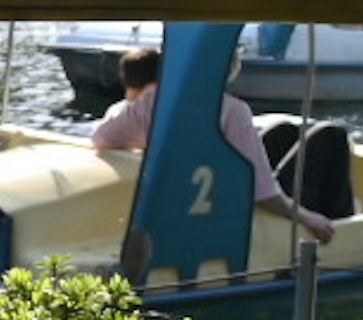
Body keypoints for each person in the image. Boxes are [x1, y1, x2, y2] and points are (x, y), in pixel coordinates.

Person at [91, 44, 335, 243]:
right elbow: (263, 192)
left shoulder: (152, 103)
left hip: (189, 198)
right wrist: (307, 218)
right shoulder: (233, 110)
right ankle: (339, 217)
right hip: (236, 209)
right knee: (329, 137)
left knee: (282, 133)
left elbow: (101, 138)